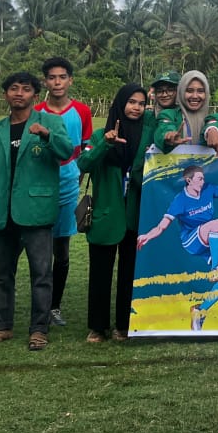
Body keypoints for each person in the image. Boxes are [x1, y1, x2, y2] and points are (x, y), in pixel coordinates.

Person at [0, 71, 74, 351]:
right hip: (3, 210)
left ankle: (39, 329)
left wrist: (47, 135)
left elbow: (66, 151)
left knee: (41, 273)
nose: (19, 93)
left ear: (35, 94)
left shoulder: (50, 121)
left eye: (26, 89)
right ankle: (3, 326)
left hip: (36, 209)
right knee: (1, 274)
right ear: (5, 94)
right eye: (14, 88)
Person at [136, 165, 218, 331]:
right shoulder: (180, 201)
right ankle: (215, 269)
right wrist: (148, 235)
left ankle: (200, 311)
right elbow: (162, 226)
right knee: (216, 224)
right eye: (199, 179)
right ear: (188, 180)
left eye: (203, 178)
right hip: (192, 240)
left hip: (212, 239)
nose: (203, 181)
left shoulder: (209, 189)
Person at [78, 83, 155, 342]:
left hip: (135, 214)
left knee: (129, 273)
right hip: (106, 214)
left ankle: (124, 325)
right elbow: (83, 163)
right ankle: (97, 327)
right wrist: (106, 144)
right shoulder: (100, 135)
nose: (136, 108)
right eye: (131, 102)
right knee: (100, 273)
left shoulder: (147, 135)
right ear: (120, 103)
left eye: (141, 103)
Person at [35, 57, 92, 330]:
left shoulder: (82, 111)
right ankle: (40, 305)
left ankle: (54, 306)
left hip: (68, 186)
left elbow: (85, 149)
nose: (57, 82)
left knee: (62, 250)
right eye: (51, 77)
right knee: (38, 249)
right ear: (45, 81)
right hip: (39, 188)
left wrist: (76, 179)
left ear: (70, 80)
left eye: (62, 77)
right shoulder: (36, 112)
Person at [154, 71, 215, 151]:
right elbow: (164, 127)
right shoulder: (168, 114)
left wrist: (213, 131)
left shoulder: (212, 119)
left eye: (200, 91)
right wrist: (168, 136)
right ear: (181, 92)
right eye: (189, 91)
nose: (195, 96)